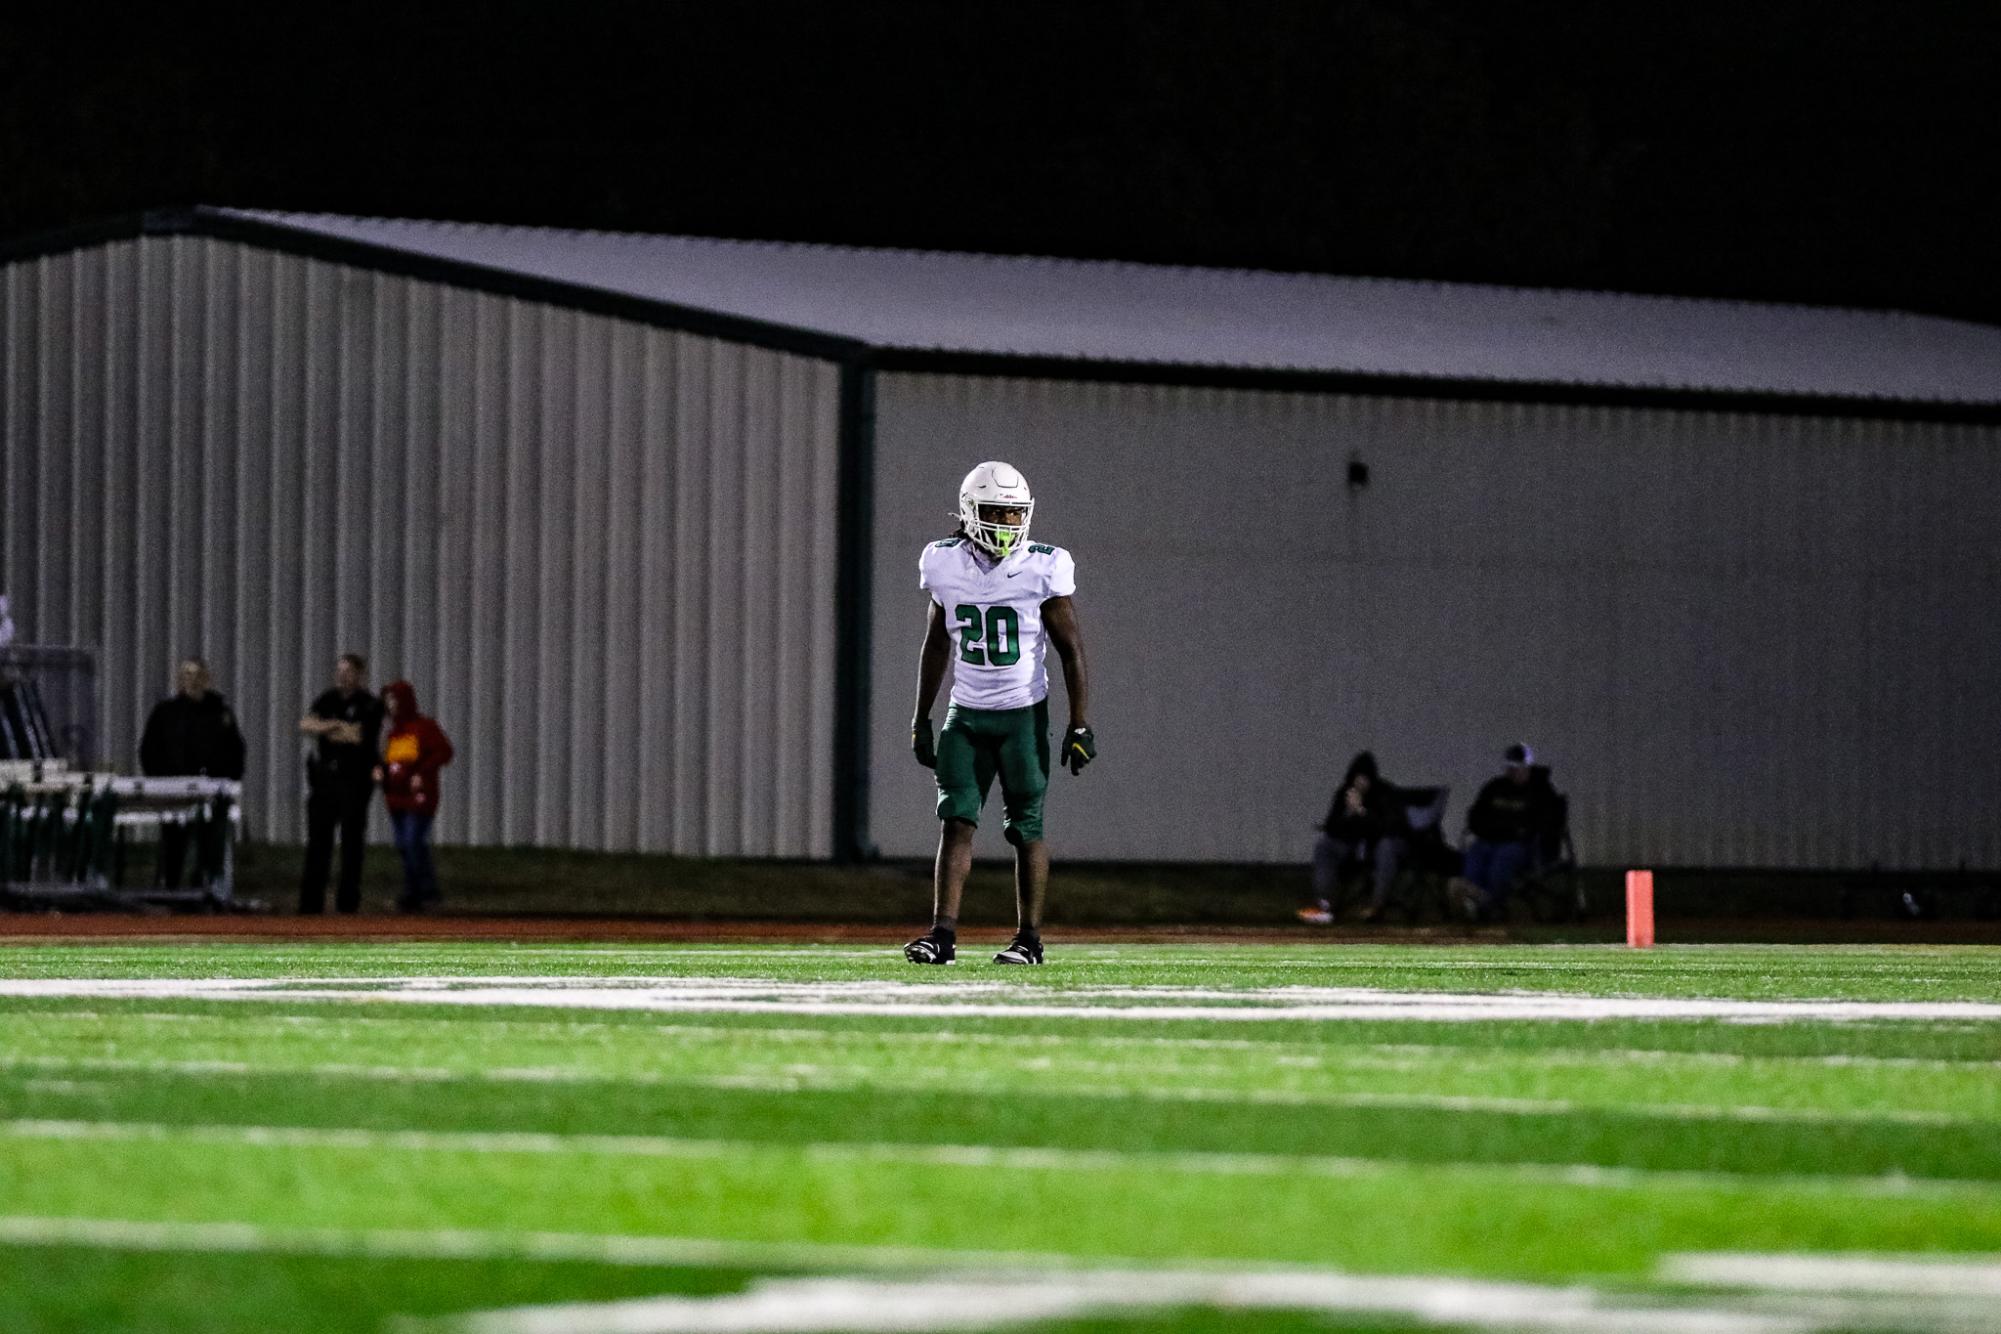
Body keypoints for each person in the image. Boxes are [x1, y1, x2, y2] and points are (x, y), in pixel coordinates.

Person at [905, 461, 1093, 966]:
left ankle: (1028, 939)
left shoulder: (1043, 566)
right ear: (970, 512)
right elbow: (936, 643)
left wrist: (1079, 722)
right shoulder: (943, 563)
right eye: (997, 513)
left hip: (1021, 715)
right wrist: (921, 717)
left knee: (1026, 827)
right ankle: (941, 935)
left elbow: (1071, 649)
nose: (1008, 524)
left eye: (1016, 514)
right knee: (956, 821)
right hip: (965, 715)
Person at [137, 659, 247, 888]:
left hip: (210, 792)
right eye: (186, 674)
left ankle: (205, 891)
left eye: (197, 674)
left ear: (207, 679)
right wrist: (161, 781)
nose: (191, 679)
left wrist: (227, 781)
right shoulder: (166, 712)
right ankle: (171, 889)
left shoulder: (220, 712)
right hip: (174, 792)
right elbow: (149, 749)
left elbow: (235, 749)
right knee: (174, 843)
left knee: (210, 846)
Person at [297, 652, 383, 914]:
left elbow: (358, 735)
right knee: (318, 843)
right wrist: (333, 725)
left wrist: (329, 729)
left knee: (351, 844)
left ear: (359, 675)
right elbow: (305, 724)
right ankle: (311, 903)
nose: (342, 676)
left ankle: (348, 903)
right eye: (339, 671)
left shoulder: (370, 704)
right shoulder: (327, 698)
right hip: (324, 782)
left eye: (348, 672)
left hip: (354, 783)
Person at [372, 680, 455, 912]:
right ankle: (413, 893)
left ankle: (428, 892)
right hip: (396, 798)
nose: (391, 704)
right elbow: (394, 763)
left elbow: (444, 752)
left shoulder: (424, 727)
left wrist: (422, 773)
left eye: (395, 699)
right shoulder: (392, 733)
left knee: (413, 841)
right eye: (388, 700)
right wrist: (382, 771)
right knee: (403, 845)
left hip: (419, 797)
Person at [1298, 750, 1407, 924]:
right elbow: (1331, 827)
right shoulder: (1345, 794)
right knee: (1324, 846)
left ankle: (1377, 905)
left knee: (1387, 847)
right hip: (1352, 847)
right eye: (1357, 778)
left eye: (1364, 778)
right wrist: (1348, 813)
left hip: (1378, 847)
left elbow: (1388, 827)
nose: (1360, 782)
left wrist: (1361, 812)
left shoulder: (1385, 793)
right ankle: (1324, 904)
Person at [1451, 742, 1556, 921]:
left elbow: (1545, 822)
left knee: (1503, 859)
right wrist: (1486, 830)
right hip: (1490, 840)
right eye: (1510, 767)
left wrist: (1519, 832)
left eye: (1518, 767)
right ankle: (1471, 896)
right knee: (1475, 852)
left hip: (1522, 845)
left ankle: (1489, 901)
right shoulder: (1495, 787)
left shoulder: (1541, 791)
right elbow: (1476, 815)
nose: (1513, 771)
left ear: (1527, 767)